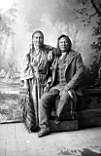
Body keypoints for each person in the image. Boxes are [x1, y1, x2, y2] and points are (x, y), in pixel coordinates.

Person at [38, 34, 84, 137]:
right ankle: (44, 127)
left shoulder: (76, 55)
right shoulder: (55, 56)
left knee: (65, 97)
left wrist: (68, 87)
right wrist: (49, 82)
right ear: (58, 44)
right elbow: (46, 72)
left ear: (69, 44)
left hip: (70, 86)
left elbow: (80, 72)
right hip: (56, 85)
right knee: (44, 99)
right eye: (61, 42)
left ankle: (58, 118)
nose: (63, 44)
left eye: (66, 42)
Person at [23, 30, 54, 131]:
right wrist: (26, 84)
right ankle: (35, 124)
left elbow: (51, 69)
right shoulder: (29, 53)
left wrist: (49, 82)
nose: (38, 40)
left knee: (43, 102)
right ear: (32, 39)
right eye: (36, 37)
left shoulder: (47, 51)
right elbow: (26, 70)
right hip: (33, 81)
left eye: (40, 37)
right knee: (34, 102)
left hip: (44, 81)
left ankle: (44, 125)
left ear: (43, 39)